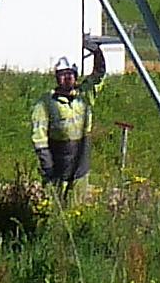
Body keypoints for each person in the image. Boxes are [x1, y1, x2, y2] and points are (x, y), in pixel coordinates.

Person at [30, 42, 107, 193]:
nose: (67, 78)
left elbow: (99, 74)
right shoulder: (45, 103)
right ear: (57, 77)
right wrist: (48, 165)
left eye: (70, 74)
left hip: (80, 163)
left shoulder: (84, 95)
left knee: (78, 203)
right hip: (57, 162)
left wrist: (97, 53)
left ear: (76, 76)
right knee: (54, 204)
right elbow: (39, 138)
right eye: (62, 74)